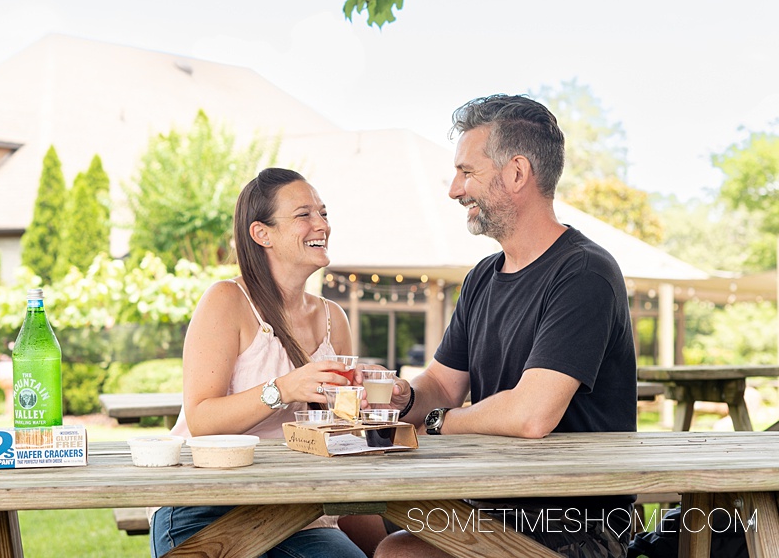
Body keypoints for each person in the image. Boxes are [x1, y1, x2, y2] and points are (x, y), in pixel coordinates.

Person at [370, 94, 638, 558]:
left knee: (399, 553)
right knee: (359, 518)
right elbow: (441, 383)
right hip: (492, 506)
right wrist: (403, 399)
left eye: (467, 172)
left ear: (516, 173)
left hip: (574, 527)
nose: (455, 190)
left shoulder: (585, 273)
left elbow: (531, 415)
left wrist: (441, 424)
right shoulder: (482, 277)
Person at [149, 167, 368, 558]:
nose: (322, 224)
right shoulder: (226, 301)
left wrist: (365, 408)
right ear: (261, 233)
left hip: (298, 511)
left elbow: (340, 437)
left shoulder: (334, 318)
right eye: (304, 215)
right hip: (205, 506)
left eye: (323, 212)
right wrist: (285, 388)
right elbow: (200, 420)